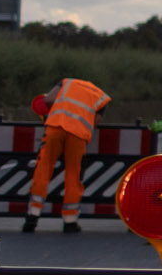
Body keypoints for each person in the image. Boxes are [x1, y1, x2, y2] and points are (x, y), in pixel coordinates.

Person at [24, 75, 109, 233]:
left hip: (56, 127)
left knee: (44, 167)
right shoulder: (102, 97)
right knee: (73, 174)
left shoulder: (67, 83)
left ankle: (33, 215)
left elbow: (48, 100)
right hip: (78, 135)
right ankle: (70, 221)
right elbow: (95, 122)